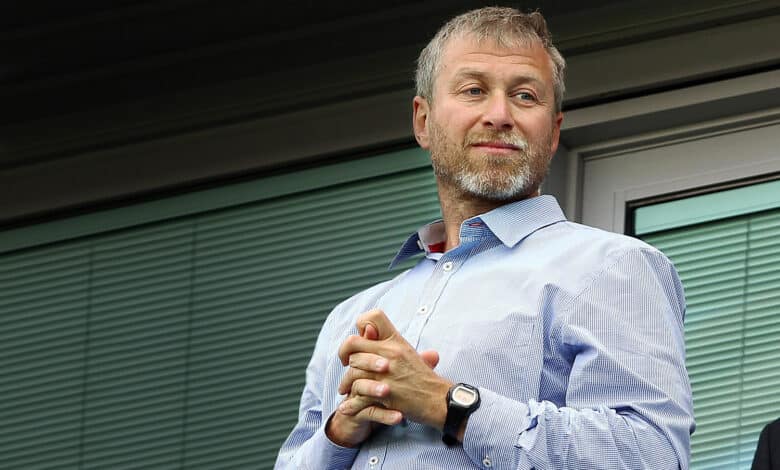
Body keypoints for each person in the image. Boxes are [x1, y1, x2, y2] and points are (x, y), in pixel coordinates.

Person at [275, 6, 695, 469]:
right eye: (474, 90)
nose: (499, 115)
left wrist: (448, 404)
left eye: (525, 96)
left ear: (553, 132)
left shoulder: (612, 267)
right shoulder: (348, 319)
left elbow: (650, 455)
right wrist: (339, 433)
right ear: (422, 121)